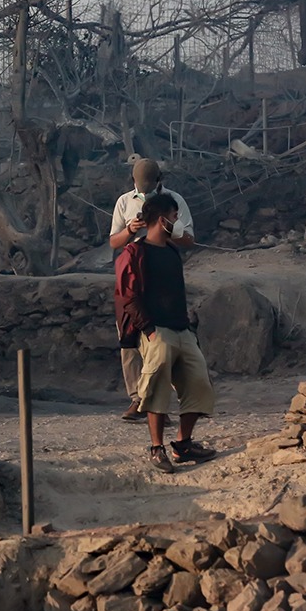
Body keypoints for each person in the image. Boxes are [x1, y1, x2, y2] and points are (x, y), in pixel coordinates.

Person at [114, 192, 217, 473]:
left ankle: (183, 443)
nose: (177, 221)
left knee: (199, 384)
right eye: (174, 217)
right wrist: (148, 330)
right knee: (157, 386)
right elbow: (128, 296)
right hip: (156, 330)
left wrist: (187, 327)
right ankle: (157, 447)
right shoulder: (135, 253)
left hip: (180, 328)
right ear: (162, 219)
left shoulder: (171, 250)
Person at [109, 158, 195, 421]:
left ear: (160, 180)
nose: (144, 190)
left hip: (161, 273)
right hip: (134, 270)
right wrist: (131, 230)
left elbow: (189, 239)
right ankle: (137, 398)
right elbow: (114, 241)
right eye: (139, 185)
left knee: (160, 340)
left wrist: (164, 229)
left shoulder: (173, 201)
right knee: (130, 338)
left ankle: (158, 403)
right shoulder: (125, 201)